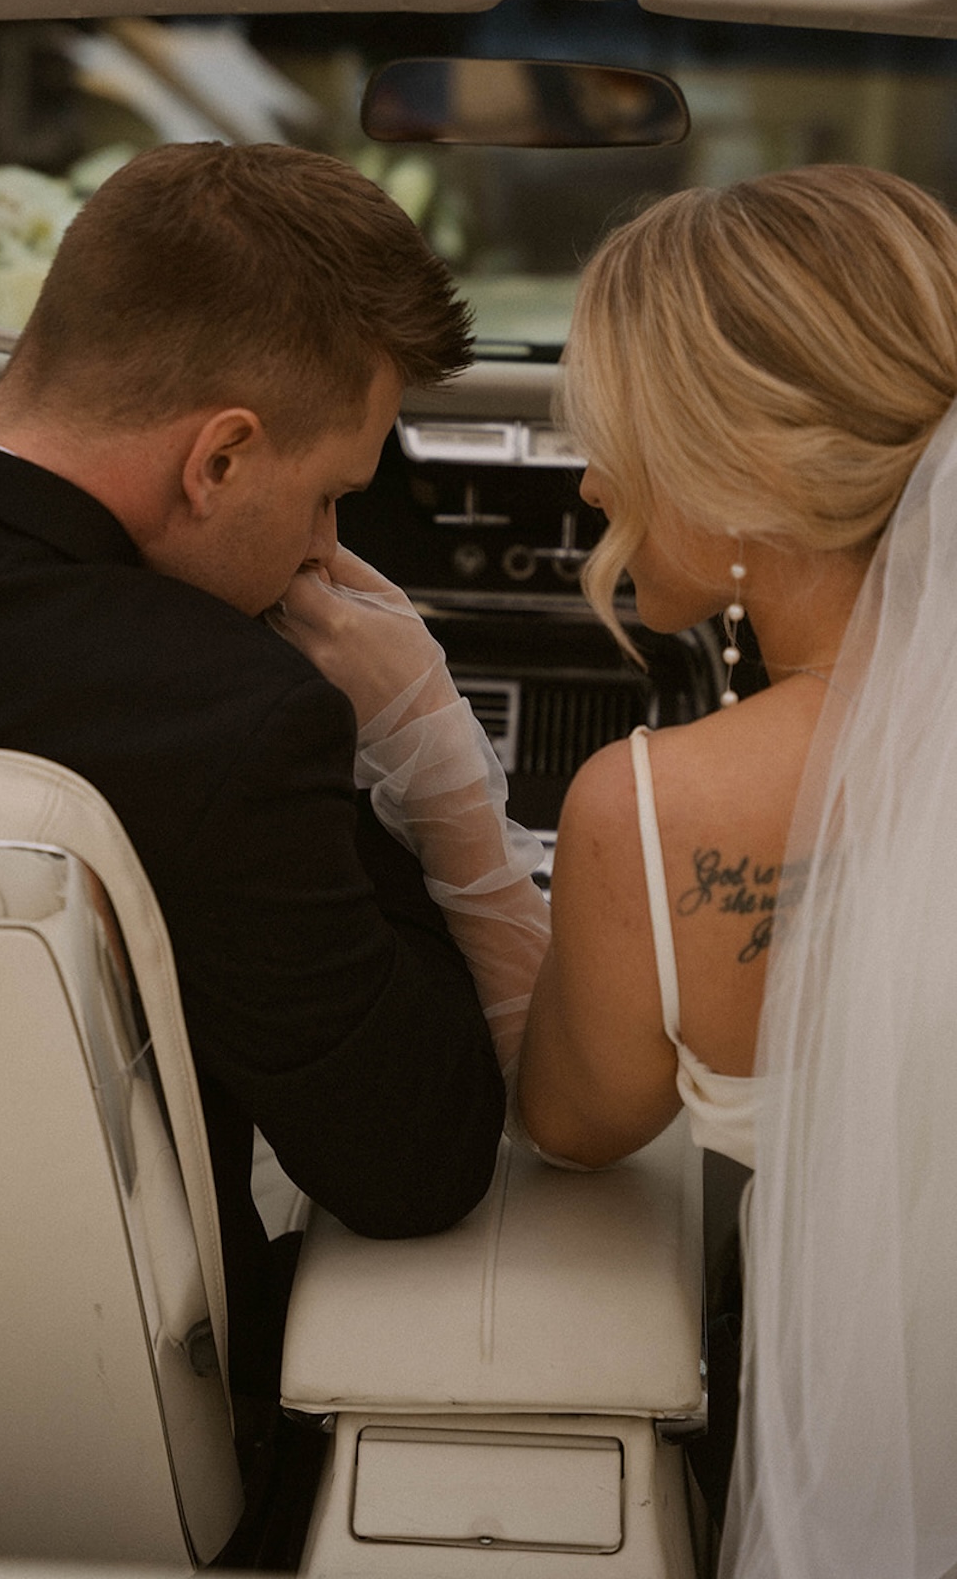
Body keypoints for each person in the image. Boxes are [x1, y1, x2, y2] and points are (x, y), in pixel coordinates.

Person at [0, 141, 546, 1411]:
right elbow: (417, 1163)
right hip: (88, 1441)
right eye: (325, 498)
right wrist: (427, 751)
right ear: (219, 459)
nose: (324, 551)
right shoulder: (221, 716)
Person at [283, 162, 957, 1575]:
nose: (590, 480)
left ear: (743, 480)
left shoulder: (664, 809)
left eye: (616, 433)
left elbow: (573, 1127)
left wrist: (443, 778)